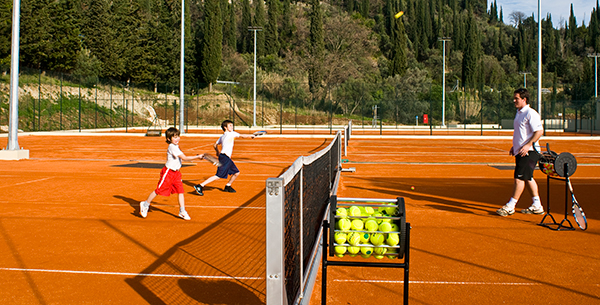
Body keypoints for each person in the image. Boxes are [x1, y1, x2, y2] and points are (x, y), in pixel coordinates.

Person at [497, 88, 544, 217]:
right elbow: (521, 133)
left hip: (529, 152)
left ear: (524, 99)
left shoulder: (531, 113)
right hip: (521, 151)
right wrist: (515, 146)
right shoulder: (519, 113)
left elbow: (539, 131)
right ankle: (537, 205)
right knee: (528, 178)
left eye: (516, 98)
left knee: (519, 179)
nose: (514, 101)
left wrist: (528, 145)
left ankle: (511, 205)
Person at [140, 127, 203, 220]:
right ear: (169, 139)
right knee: (159, 190)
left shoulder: (176, 146)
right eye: (174, 137)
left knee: (180, 191)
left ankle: (182, 211)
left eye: (178, 136)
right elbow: (184, 158)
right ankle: (145, 204)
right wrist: (197, 157)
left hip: (176, 173)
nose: (177, 139)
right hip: (168, 172)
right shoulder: (172, 147)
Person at [194, 120, 254, 195]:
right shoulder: (231, 133)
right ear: (225, 127)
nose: (232, 127)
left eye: (232, 125)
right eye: (230, 126)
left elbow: (215, 145)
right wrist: (251, 136)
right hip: (225, 158)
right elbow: (242, 136)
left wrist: (217, 152)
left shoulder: (222, 136)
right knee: (218, 176)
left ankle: (228, 186)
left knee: (236, 172)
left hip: (225, 157)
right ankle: (200, 186)